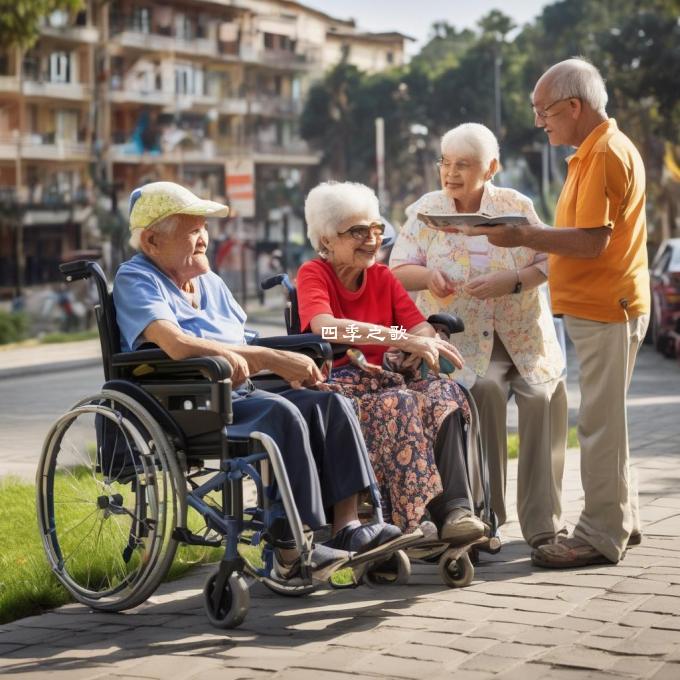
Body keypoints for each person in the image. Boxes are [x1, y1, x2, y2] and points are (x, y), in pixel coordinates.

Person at [113, 181, 406, 582]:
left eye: (204, 228)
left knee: (331, 402)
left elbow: (244, 342)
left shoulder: (211, 283)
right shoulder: (136, 279)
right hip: (189, 401)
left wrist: (295, 362)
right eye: (193, 230)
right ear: (151, 240)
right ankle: (291, 546)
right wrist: (269, 358)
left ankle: (348, 528)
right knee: (281, 412)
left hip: (238, 392)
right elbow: (177, 344)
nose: (204, 240)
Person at [473, 58, 649, 568]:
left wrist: (522, 235)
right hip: (603, 307)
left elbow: (592, 242)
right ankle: (623, 518)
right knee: (606, 421)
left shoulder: (604, 155)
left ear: (574, 106)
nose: (538, 121)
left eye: (543, 110)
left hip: (607, 308)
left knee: (598, 425)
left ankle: (597, 534)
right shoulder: (594, 151)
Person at [390, 123, 568, 550]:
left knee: (541, 399)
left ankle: (544, 525)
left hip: (525, 339)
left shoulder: (515, 204)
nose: (451, 173)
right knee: (483, 394)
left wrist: (514, 280)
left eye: (463, 165)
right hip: (467, 345)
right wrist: (429, 275)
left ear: (491, 168)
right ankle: (488, 520)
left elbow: (549, 262)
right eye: (445, 163)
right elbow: (397, 269)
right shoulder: (426, 210)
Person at [296, 180, 486, 546]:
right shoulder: (313, 274)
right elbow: (325, 326)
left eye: (376, 228)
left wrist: (424, 344)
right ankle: (409, 520)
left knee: (444, 391)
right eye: (357, 231)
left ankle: (456, 512)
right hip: (341, 384)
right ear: (326, 241)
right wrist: (401, 338)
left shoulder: (383, 277)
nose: (372, 238)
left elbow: (418, 328)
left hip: (389, 379)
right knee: (397, 404)